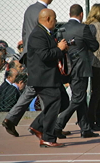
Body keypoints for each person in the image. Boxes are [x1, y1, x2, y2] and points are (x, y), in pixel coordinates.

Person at [1, 0, 69, 138]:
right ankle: (44, 126)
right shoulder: (45, 13)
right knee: (47, 91)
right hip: (42, 58)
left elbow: (24, 32)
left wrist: (26, 53)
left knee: (35, 89)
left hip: (30, 55)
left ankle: (20, 120)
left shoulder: (29, 9)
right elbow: (44, 37)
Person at [55, 4, 100, 138]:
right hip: (81, 68)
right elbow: (94, 46)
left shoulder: (62, 28)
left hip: (68, 68)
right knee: (78, 98)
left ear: (70, 14)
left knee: (79, 98)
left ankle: (85, 129)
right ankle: (58, 124)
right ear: (81, 14)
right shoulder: (83, 28)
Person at [27, 8, 69, 148]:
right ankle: (48, 137)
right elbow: (44, 55)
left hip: (51, 77)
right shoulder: (37, 34)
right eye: (55, 19)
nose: (56, 22)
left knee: (64, 102)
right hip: (43, 78)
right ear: (48, 19)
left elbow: (51, 51)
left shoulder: (46, 33)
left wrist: (61, 48)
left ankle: (37, 126)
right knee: (54, 103)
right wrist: (59, 49)